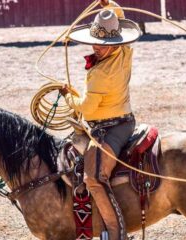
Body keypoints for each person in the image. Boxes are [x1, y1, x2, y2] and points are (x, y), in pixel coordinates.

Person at [60, 1, 141, 239]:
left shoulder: (101, 75)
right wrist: (110, 5)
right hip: (125, 120)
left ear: (113, 43)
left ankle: (117, 235)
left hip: (110, 127)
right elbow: (118, 16)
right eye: (94, 41)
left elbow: (86, 109)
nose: (96, 47)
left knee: (93, 178)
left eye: (101, 44)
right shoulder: (125, 51)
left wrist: (68, 97)